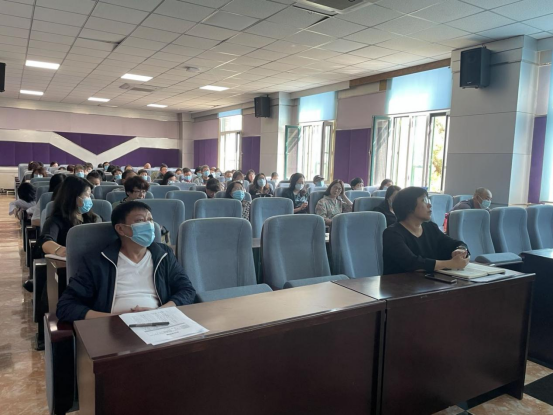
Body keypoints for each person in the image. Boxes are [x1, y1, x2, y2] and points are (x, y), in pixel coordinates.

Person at [56, 201, 196, 322]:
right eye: (140, 221)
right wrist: (114, 319)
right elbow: (66, 306)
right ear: (121, 229)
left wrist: (160, 312)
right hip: (113, 328)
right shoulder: (98, 260)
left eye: (150, 220)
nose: (149, 225)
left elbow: (187, 290)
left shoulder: (163, 254)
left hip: (160, 322)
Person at [382, 187, 469, 275]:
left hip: (428, 280)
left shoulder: (430, 227)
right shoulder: (392, 233)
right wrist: (450, 264)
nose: (429, 205)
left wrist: (460, 250)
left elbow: (455, 244)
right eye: (424, 200)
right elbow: (412, 263)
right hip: (400, 282)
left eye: (428, 200)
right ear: (409, 207)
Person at [36, 176, 101, 257]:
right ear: (73, 197)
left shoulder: (94, 218)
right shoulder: (55, 220)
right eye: (87, 196)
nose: (89, 199)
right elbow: (45, 241)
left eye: (90, 196)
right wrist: (59, 250)